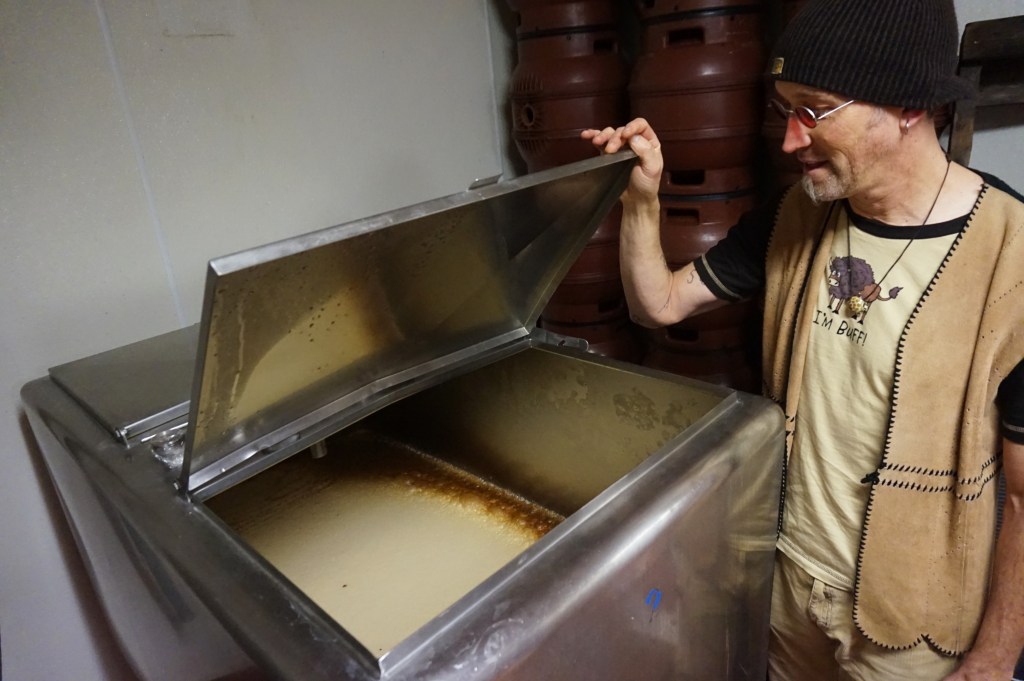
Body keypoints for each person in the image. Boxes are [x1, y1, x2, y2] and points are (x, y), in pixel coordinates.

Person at [583, 0, 1024, 679]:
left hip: (912, 630)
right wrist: (643, 198)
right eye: (785, 108)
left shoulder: (1012, 258)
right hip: (789, 593)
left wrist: (994, 659)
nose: (790, 140)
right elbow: (659, 305)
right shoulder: (796, 215)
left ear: (908, 103)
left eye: (813, 111)